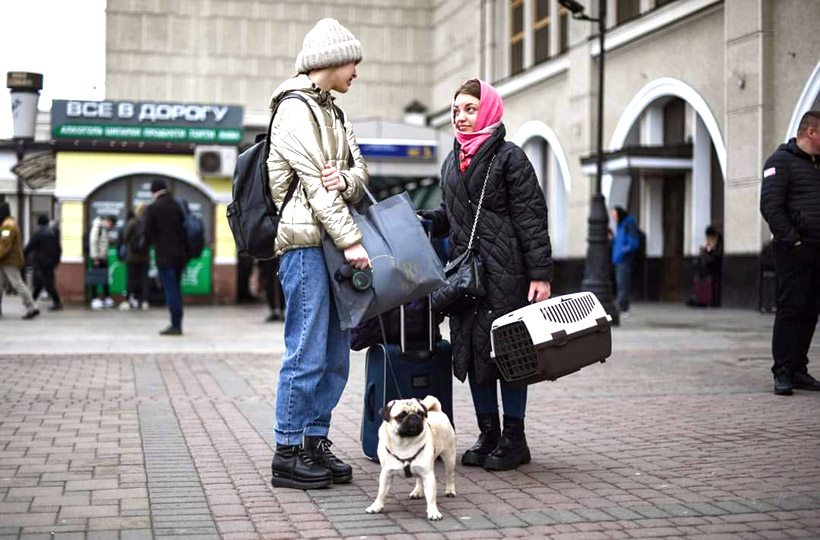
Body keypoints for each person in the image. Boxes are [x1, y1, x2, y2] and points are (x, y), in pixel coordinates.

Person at [420, 79, 553, 471]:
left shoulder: (510, 158)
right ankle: (488, 433)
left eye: (470, 109)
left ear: (490, 110)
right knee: (474, 354)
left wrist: (540, 274)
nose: (461, 117)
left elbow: (531, 218)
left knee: (509, 354)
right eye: (457, 109)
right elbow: (453, 216)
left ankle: (515, 439)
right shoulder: (451, 160)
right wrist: (428, 219)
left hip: (506, 274)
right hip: (467, 278)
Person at [266, 18, 370, 490]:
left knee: (334, 354)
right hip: (307, 245)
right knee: (306, 350)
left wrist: (346, 178)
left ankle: (314, 442)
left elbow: (360, 173)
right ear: (329, 60)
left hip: (330, 244)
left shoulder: (337, 113)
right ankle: (287, 452)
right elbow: (314, 186)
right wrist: (352, 241)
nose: (356, 72)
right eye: (353, 61)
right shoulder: (293, 109)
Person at [760, 109, 820, 396]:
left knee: (810, 310)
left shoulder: (817, 165)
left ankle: (798, 369)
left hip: (817, 250)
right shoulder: (779, 162)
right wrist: (793, 241)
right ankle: (782, 371)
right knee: (790, 307)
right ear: (811, 132)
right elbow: (771, 207)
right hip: (792, 251)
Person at [144, 180, 187, 335]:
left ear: (154, 191)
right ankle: (178, 322)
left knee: (171, 290)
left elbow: (147, 233)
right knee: (176, 289)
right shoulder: (177, 206)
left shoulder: (154, 207)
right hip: (180, 255)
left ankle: (175, 325)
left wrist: (145, 249)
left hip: (164, 256)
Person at [0, 202, 40, 319]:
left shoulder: (8, 226)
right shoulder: (8, 224)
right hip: (5, 260)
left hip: (9, 261)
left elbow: (4, 244)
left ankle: (32, 307)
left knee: (18, 284)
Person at [24, 214, 62, 311]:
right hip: (51, 262)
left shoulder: (38, 234)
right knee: (40, 283)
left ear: (39, 223)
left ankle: (57, 302)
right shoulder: (52, 233)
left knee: (47, 283)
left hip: (41, 261)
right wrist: (57, 260)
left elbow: (30, 247)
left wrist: (22, 255)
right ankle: (31, 302)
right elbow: (58, 248)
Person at [610, 206, 640, 316]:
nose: (613, 217)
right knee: (620, 283)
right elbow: (619, 242)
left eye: (614, 215)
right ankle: (622, 306)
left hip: (624, 259)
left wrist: (624, 250)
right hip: (618, 259)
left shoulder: (628, 224)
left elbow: (633, 242)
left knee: (623, 284)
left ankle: (623, 307)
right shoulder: (620, 226)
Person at [120, 204, 150, 311]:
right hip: (145, 256)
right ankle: (144, 301)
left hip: (132, 256)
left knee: (131, 279)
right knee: (144, 279)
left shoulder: (132, 222)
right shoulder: (148, 223)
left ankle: (128, 301)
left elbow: (125, 237)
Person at [687, 225, 722, 308]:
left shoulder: (718, 240)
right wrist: (706, 248)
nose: (708, 239)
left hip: (713, 265)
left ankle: (701, 298)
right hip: (707, 265)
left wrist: (707, 249)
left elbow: (716, 253)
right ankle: (698, 297)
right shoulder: (712, 240)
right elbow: (710, 249)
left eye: (709, 237)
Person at [88, 214, 116, 310]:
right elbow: (93, 242)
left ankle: (106, 298)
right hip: (97, 258)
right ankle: (94, 299)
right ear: (108, 221)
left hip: (103, 257)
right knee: (95, 278)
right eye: (111, 225)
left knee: (104, 278)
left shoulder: (103, 229)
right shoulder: (98, 227)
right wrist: (95, 258)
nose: (111, 227)